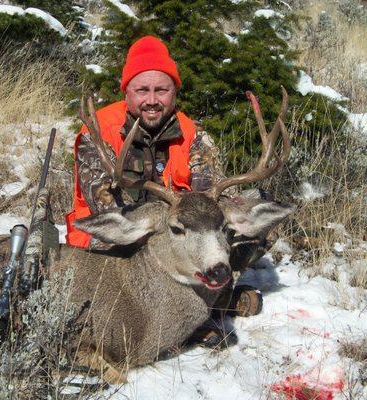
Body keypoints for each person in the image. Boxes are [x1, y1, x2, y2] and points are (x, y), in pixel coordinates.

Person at [64, 35, 272, 346]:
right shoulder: (99, 130)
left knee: (257, 219)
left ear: (174, 92)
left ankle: (206, 293)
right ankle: (212, 303)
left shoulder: (192, 133)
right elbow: (105, 208)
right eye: (142, 90)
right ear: (127, 92)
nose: (151, 100)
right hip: (115, 239)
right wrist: (170, 221)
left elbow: (207, 198)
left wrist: (222, 211)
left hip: (181, 236)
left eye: (161, 90)